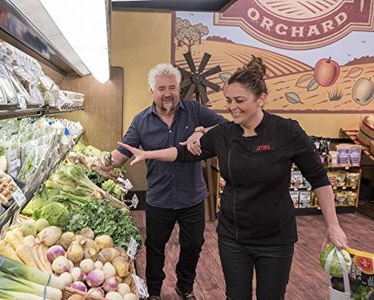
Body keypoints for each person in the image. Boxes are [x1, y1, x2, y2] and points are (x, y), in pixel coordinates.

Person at [118, 56, 348, 300]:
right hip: (232, 237)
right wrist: (148, 153)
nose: (232, 107)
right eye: (229, 101)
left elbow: (319, 178)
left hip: (275, 239)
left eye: (240, 100)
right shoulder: (225, 134)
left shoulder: (286, 131)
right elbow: (182, 153)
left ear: (261, 98)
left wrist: (332, 224)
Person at [102, 63, 226, 300]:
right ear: (152, 91)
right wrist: (107, 162)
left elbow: (224, 126)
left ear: (179, 89)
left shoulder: (194, 111)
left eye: (172, 87)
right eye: (161, 88)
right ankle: (155, 291)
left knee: (193, 245)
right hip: (159, 197)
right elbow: (123, 152)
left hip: (192, 196)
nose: (167, 93)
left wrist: (200, 131)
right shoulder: (141, 121)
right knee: (155, 248)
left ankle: (185, 286)